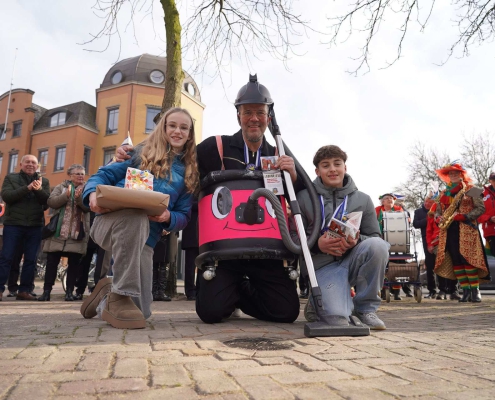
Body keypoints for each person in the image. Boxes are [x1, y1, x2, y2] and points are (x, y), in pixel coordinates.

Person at [115, 75, 301, 324]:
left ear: (269, 117)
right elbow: (175, 153)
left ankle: (238, 293)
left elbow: (302, 196)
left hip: (266, 251)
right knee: (210, 313)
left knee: (286, 311)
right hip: (225, 251)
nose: (254, 118)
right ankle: (229, 290)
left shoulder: (279, 154)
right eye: (247, 112)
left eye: (260, 112)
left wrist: (293, 176)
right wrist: (133, 153)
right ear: (238, 115)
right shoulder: (217, 146)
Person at [80, 107, 197, 329]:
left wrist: (168, 216)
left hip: (147, 240)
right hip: (110, 224)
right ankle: (120, 295)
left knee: (141, 312)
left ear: (190, 134)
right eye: (172, 125)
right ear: (163, 128)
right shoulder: (138, 153)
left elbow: (183, 216)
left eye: (184, 128)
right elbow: (102, 175)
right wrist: (92, 194)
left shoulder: (189, 173)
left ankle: (108, 293)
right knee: (136, 215)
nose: (177, 131)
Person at [295, 145, 389, 330]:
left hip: (352, 260)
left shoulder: (363, 199)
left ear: (345, 167)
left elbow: (374, 237)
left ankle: (365, 309)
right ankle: (317, 302)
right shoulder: (303, 197)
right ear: (317, 171)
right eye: (325, 165)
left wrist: (356, 241)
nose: (332, 169)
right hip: (322, 267)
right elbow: (293, 237)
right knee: (337, 317)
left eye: (337, 164)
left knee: (378, 246)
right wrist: (316, 245)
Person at [433, 161, 490, 303]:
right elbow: (438, 211)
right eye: (450, 173)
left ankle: (475, 291)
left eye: (456, 173)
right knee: (456, 261)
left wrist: (466, 216)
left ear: (461, 174)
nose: (453, 175)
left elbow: (481, 208)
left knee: (468, 259)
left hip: (467, 228)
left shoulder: (473, 189)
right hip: (449, 230)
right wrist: (438, 218)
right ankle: (465, 291)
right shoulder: (444, 192)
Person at [0, 155, 50, 301]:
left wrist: (38, 190)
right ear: (21, 164)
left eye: (33, 162)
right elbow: (7, 196)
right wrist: (27, 188)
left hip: (35, 226)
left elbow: (46, 203)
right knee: (6, 257)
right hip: (13, 224)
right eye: (27, 162)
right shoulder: (11, 178)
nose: (30, 164)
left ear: (37, 166)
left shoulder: (44, 181)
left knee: (31, 259)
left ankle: (24, 290)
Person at [38, 164, 91, 301]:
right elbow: (51, 202)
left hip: (77, 233)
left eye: (82, 173)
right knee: (51, 263)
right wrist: (66, 195)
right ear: (70, 175)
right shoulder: (60, 187)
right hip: (58, 232)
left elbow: (89, 207)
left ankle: (69, 293)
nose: (81, 176)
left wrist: (78, 199)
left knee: (74, 265)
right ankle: (46, 292)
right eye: (77, 173)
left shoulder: (88, 188)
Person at [375, 193, 411, 300]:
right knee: (383, 266)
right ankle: (384, 290)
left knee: (398, 266)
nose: (389, 200)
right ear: (382, 202)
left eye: (391, 198)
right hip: (381, 241)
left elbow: (407, 221)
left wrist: (404, 217)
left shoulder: (399, 210)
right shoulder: (377, 211)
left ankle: (396, 292)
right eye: (387, 198)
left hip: (397, 242)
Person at [426, 198, 460, 300]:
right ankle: (442, 290)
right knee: (440, 264)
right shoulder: (432, 214)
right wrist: (429, 244)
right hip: (437, 242)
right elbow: (429, 230)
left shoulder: (456, 211)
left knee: (454, 264)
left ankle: (454, 290)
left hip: (453, 241)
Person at [414, 195, 438, 298]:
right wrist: (428, 219)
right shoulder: (418, 212)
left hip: (439, 237)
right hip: (426, 239)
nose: (427, 204)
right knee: (430, 263)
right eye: (426, 202)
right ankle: (432, 290)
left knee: (442, 263)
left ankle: (445, 289)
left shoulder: (439, 210)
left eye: (430, 202)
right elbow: (416, 224)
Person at [181, 199, 198, 301]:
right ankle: (190, 291)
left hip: (202, 235)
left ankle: (199, 290)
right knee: (190, 266)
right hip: (191, 235)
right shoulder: (189, 196)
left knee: (202, 266)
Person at [152, 231, 171, 301]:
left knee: (163, 265)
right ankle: (155, 292)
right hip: (155, 234)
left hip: (166, 236)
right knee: (155, 264)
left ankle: (159, 292)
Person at [479, 171, 495, 256]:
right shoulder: (482, 195)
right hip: (491, 231)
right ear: (490, 181)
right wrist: (489, 218)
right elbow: (478, 215)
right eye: (494, 180)